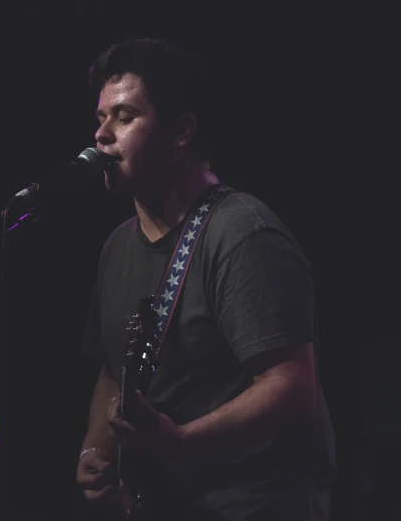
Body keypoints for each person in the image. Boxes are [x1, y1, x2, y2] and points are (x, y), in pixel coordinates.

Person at [76, 38, 336, 520]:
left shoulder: (240, 232)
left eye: (125, 117)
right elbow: (112, 369)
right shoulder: (116, 248)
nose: (102, 136)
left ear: (181, 131)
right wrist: (96, 454)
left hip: (251, 502)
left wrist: (181, 442)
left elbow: (293, 382)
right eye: (100, 119)